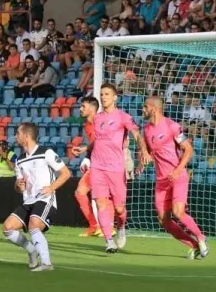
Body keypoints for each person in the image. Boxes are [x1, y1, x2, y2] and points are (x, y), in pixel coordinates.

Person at [84, 83, 149, 253]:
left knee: (120, 209)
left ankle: (121, 226)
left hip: (115, 168)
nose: (103, 97)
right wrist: (85, 150)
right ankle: (109, 241)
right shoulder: (97, 118)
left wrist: (143, 151)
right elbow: (97, 141)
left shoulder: (123, 117)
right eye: (101, 94)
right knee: (101, 203)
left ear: (115, 97)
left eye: (107, 94)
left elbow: (137, 135)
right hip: (98, 167)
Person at [141, 97, 209, 259]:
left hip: (177, 176)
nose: (143, 110)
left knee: (178, 212)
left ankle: (201, 237)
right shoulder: (147, 129)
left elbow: (189, 150)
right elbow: (146, 146)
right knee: (163, 220)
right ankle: (193, 245)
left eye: (145, 107)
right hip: (161, 181)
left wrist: (178, 170)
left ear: (154, 109)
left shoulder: (172, 126)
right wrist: (143, 155)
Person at [2, 123, 71, 271]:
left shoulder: (46, 153)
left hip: (45, 199)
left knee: (34, 224)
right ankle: (32, 250)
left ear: (27, 136)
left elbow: (66, 173)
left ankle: (46, 263)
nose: (15, 136)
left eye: (18, 133)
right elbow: (19, 188)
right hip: (29, 201)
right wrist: (19, 185)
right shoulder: (19, 160)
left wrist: (51, 187)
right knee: (8, 228)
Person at [70, 96, 101, 237]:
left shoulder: (101, 121)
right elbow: (94, 144)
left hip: (106, 164)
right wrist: (87, 156)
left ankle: (107, 227)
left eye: (83, 106)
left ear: (92, 108)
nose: (80, 109)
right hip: (96, 163)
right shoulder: (87, 125)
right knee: (81, 192)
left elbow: (101, 141)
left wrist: (85, 149)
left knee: (101, 196)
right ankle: (95, 225)